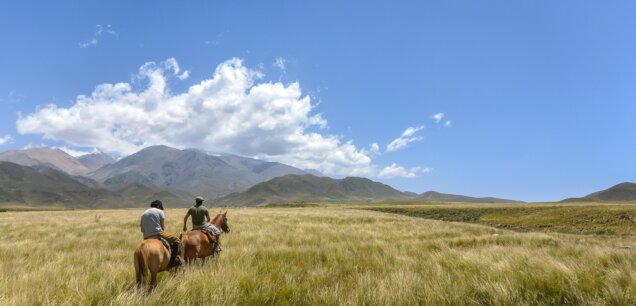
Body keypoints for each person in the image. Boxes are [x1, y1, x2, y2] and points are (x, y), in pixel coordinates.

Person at [140, 200, 183, 267]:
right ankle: (172, 262)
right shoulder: (160, 212)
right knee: (176, 240)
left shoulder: (143, 213)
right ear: (158, 206)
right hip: (158, 233)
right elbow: (162, 227)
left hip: (146, 236)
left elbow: (142, 230)